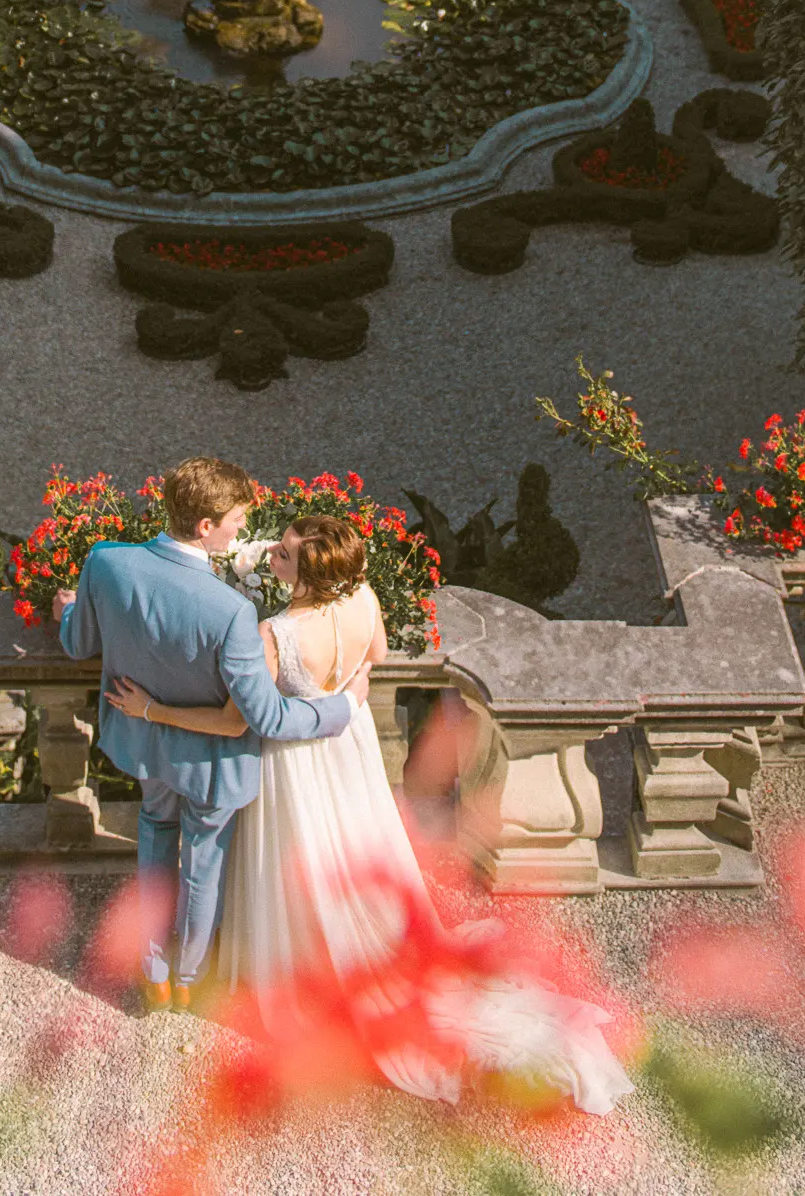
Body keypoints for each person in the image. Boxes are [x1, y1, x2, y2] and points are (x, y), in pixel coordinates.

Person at [106, 515, 633, 1112]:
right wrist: (347, 694)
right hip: (348, 745)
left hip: (295, 764)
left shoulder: (274, 634)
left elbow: (236, 721)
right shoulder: (363, 595)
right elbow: (375, 655)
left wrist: (151, 710)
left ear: (304, 574)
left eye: (283, 553)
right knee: (353, 847)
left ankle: (294, 966)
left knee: (297, 859)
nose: (272, 554)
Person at [55, 458, 358, 1011]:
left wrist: (64, 610)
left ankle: (153, 970)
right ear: (205, 526)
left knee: (153, 837)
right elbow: (266, 718)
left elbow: (77, 644)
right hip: (213, 762)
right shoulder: (232, 612)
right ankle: (190, 981)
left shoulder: (105, 562)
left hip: (145, 747)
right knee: (202, 865)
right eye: (238, 520)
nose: (243, 530)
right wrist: (339, 710)